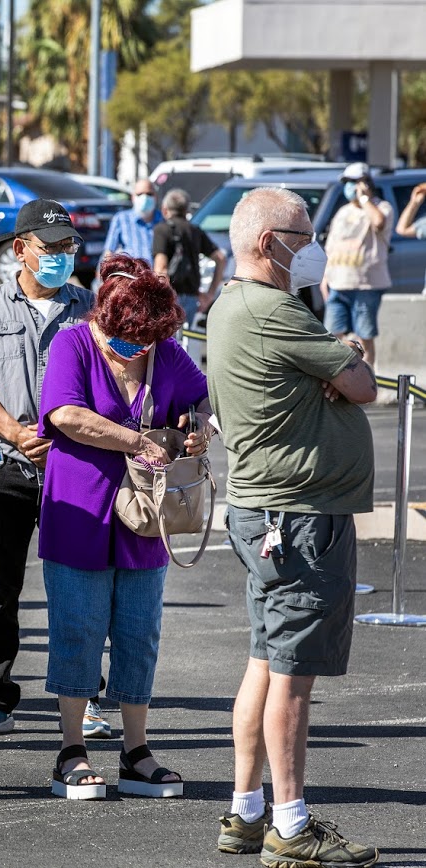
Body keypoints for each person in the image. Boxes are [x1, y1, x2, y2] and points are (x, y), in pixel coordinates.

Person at [208, 187, 378, 865]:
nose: (308, 249)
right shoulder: (272, 309)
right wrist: (341, 366)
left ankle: (248, 812)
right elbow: (361, 384)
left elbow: (334, 373)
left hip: (273, 513)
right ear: (263, 243)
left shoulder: (231, 304)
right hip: (298, 518)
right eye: (299, 237)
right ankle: (290, 824)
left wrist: (331, 366)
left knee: (265, 662)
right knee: (291, 679)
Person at [38, 253, 211, 801]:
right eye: (128, 340)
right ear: (104, 320)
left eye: (148, 341)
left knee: (139, 632)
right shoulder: (73, 343)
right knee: (78, 628)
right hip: (80, 505)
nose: (137, 350)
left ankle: (136, 752)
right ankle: (72, 749)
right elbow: (64, 414)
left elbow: (202, 396)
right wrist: (137, 440)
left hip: (145, 514)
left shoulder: (163, 349)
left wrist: (201, 426)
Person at [0, 200, 96, 739]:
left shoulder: (92, 308)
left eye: (67, 247)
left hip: (78, 470)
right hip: (4, 465)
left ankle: (85, 696)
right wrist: (14, 431)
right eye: (49, 247)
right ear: (20, 251)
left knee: (78, 590)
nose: (60, 257)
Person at [321, 162, 396, 372]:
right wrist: (325, 279)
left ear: (365, 183)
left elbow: (379, 223)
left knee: (365, 334)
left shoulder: (382, 207)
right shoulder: (342, 212)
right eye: (346, 183)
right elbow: (331, 248)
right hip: (338, 283)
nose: (349, 187)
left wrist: (364, 198)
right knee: (333, 334)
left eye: (353, 182)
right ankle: (341, 377)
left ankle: (368, 378)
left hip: (366, 285)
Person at [153, 188, 226, 327]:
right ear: (187, 209)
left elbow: (160, 268)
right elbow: (221, 258)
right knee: (185, 342)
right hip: (192, 297)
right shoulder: (195, 231)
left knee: (167, 344)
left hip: (169, 297)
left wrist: (159, 298)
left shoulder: (161, 230)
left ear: (164, 210)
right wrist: (210, 294)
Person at [102, 177, 161, 264]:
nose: (144, 198)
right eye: (139, 194)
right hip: (132, 275)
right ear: (133, 197)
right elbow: (109, 251)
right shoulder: (121, 219)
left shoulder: (163, 219)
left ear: (155, 196)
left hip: (157, 275)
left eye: (149, 194)